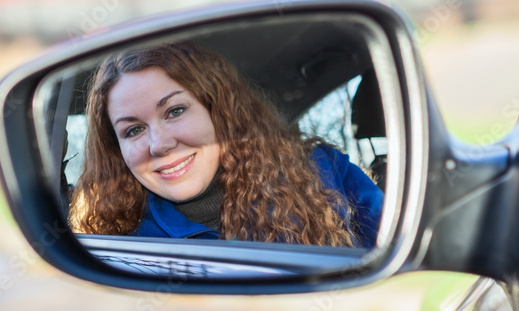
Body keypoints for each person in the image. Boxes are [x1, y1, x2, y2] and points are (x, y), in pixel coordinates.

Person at [69, 41, 383, 248]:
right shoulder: (124, 243)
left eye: (175, 111)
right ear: (116, 150)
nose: (160, 145)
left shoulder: (324, 172)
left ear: (219, 112)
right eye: (134, 130)